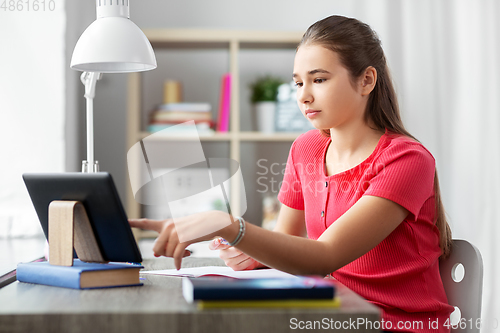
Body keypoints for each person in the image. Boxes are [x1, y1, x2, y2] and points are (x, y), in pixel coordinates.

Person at [130, 15, 454, 333]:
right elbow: (287, 242)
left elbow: (324, 257)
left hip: (398, 326)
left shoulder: (407, 160)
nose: (304, 95)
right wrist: (252, 255)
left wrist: (230, 226)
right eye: (298, 82)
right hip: (331, 317)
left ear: (366, 80)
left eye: (320, 79)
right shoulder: (306, 149)